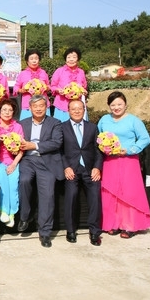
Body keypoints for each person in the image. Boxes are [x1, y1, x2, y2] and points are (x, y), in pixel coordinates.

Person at [97, 91, 150, 238]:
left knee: (128, 193)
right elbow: (99, 137)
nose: (116, 107)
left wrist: (130, 150)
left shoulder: (134, 120)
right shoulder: (104, 120)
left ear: (126, 105)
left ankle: (130, 226)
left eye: (119, 104)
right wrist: (104, 148)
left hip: (129, 161)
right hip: (110, 161)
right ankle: (113, 224)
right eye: (113, 104)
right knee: (110, 192)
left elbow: (145, 139)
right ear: (109, 106)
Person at [18, 95, 64, 248]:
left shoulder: (55, 123)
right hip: (28, 160)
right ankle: (25, 216)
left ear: (46, 107)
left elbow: (57, 142)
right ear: (29, 108)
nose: (38, 109)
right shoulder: (22, 124)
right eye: (35, 106)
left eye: (41, 106)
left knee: (48, 196)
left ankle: (45, 232)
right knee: (24, 181)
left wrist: (35, 146)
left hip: (47, 161)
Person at [61, 99, 103, 246]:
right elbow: (59, 151)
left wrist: (97, 167)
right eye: (73, 109)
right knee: (71, 197)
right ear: (68, 111)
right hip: (71, 169)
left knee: (95, 198)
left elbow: (99, 150)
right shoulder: (62, 127)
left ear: (84, 110)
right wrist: (66, 167)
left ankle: (95, 232)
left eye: (80, 108)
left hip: (89, 169)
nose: (77, 111)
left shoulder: (92, 127)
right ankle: (71, 230)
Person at [0, 98, 24, 228]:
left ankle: (12, 213)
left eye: (10, 110)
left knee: (13, 185)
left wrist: (14, 164)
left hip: (13, 160)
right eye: (4, 110)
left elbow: (22, 149)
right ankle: (4, 210)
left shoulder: (17, 126)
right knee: (3, 184)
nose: (7, 112)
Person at [50, 47, 88, 122]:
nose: (71, 59)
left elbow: (84, 87)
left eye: (74, 57)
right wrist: (58, 90)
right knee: (60, 129)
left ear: (78, 59)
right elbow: (53, 86)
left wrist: (84, 91)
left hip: (77, 107)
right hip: (62, 105)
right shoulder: (59, 71)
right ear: (65, 59)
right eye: (69, 57)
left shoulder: (81, 72)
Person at [13, 50, 50, 120]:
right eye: (31, 59)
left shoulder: (43, 72)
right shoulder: (23, 73)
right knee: (27, 128)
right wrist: (22, 90)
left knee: (45, 128)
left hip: (43, 105)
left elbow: (49, 86)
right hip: (27, 106)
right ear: (27, 61)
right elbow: (16, 87)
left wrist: (46, 88)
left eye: (36, 58)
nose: (34, 61)